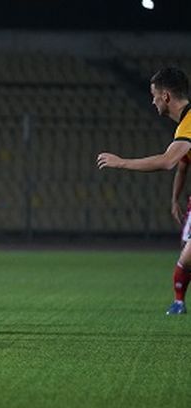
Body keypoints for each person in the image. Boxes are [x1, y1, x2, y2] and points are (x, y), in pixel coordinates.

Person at [97, 67, 191, 315]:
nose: (152, 100)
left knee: (187, 255)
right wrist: (174, 198)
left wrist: (121, 162)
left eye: (154, 95)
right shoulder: (184, 127)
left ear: (166, 96)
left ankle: (179, 302)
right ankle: (179, 302)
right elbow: (182, 164)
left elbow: (167, 161)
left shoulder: (189, 124)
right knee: (187, 256)